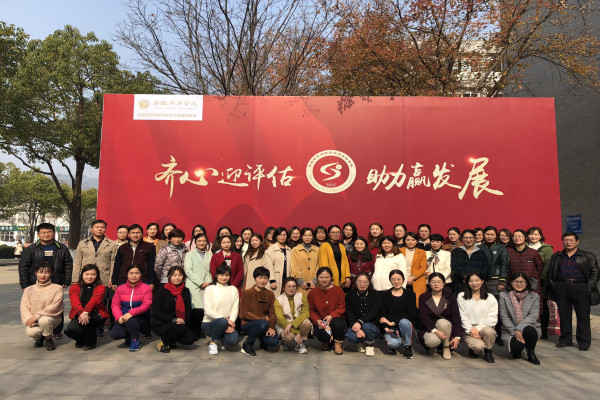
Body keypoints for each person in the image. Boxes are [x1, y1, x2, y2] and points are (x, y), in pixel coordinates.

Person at [547, 232, 599, 351]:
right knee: (564, 315)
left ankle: (584, 342)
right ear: (563, 242)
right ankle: (565, 340)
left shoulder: (588, 256)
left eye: (571, 240)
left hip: (581, 287)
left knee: (583, 316)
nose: (568, 242)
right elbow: (551, 272)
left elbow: (595, 273)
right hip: (562, 287)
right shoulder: (557, 256)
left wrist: (587, 287)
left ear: (577, 241)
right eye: (565, 240)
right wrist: (555, 286)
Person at [19, 222, 72, 338]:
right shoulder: (31, 249)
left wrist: (67, 280)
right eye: (43, 232)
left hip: (56, 281)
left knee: (57, 306)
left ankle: (57, 330)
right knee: (38, 305)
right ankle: (38, 328)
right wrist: (24, 284)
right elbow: (23, 266)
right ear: (38, 234)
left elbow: (68, 264)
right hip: (36, 282)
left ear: (53, 233)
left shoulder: (62, 248)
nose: (46, 234)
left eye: (49, 232)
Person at [71, 219, 117, 337]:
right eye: (97, 227)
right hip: (86, 278)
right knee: (86, 301)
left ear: (105, 229)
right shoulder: (83, 243)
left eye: (102, 227)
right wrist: (75, 279)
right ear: (92, 229)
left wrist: (112, 278)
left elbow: (113, 263)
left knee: (101, 303)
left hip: (103, 278)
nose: (99, 229)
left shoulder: (112, 244)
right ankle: (85, 325)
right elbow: (77, 262)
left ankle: (99, 329)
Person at [498, 273, 541, 365]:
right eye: (516, 282)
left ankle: (531, 352)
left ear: (526, 283)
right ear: (511, 282)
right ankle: (517, 351)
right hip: (510, 329)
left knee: (530, 330)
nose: (519, 284)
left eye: (522, 282)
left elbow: (533, 316)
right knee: (516, 347)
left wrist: (519, 329)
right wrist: (515, 332)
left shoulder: (534, 296)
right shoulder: (503, 295)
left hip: (528, 326)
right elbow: (504, 316)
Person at [152, 266, 197, 353]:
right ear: (169, 276)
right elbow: (156, 311)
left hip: (179, 322)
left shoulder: (186, 291)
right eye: (174, 275)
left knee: (190, 339)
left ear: (183, 277)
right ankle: (164, 343)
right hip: (162, 322)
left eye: (180, 275)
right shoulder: (161, 290)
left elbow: (188, 309)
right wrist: (173, 320)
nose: (177, 278)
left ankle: (171, 340)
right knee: (180, 329)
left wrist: (184, 321)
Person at [20, 262, 64, 350]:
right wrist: (29, 319)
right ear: (35, 273)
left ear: (51, 273)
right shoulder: (28, 289)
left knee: (44, 320)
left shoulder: (58, 288)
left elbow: (55, 306)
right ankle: (40, 337)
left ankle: (49, 340)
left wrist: (36, 316)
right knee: (31, 332)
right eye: (40, 272)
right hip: (35, 319)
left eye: (47, 272)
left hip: (53, 318)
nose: (43, 275)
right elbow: (24, 307)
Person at [65, 264, 109, 350]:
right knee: (70, 330)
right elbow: (74, 302)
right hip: (79, 313)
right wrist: (81, 313)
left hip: (95, 314)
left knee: (87, 322)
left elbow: (94, 301)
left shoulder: (100, 287)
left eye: (93, 274)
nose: (89, 277)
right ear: (82, 274)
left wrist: (85, 312)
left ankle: (91, 342)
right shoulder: (75, 287)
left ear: (97, 275)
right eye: (87, 274)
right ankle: (80, 339)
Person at [110, 264, 153, 351]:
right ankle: (128, 337)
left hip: (140, 317)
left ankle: (135, 339)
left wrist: (131, 313)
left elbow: (146, 305)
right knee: (115, 334)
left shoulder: (147, 288)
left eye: (137, 273)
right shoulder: (120, 288)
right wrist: (119, 317)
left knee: (131, 321)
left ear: (141, 274)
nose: (134, 275)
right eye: (131, 273)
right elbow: (115, 305)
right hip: (124, 316)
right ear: (127, 274)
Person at [418, 273, 461, 360]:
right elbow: (423, 317)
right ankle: (433, 347)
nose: (436, 284)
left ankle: (446, 347)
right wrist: (435, 331)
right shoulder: (423, 297)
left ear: (444, 283)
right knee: (432, 341)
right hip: (430, 328)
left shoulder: (450, 297)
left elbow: (456, 317)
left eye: (439, 282)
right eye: (433, 282)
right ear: (429, 283)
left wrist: (457, 336)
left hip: (446, 328)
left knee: (442, 322)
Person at [457, 271, 498, 363]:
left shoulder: (490, 297)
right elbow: (462, 315)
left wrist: (478, 328)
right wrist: (472, 330)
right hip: (469, 329)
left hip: (485, 327)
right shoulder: (461, 296)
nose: (474, 283)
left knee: (489, 332)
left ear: (482, 281)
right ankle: (474, 348)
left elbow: (492, 317)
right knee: (478, 346)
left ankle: (488, 350)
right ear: (467, 282)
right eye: (471, 281)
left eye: (477, 280)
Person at [201, 263, 240, 355]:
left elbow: (235, 309)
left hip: (227, 323)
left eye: (227, 275)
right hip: (209, 324)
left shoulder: (233, 289)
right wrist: (226, 320)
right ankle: (213, 342)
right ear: (216, 275)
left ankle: (220, 337)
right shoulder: (210, 289)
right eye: (221, 275)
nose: (224, 277)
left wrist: (230, 323)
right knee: (222, 321)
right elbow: (208, 310)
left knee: (233, 341)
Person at [239, 267, 279, 356]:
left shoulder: (270, 293)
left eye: (265, 278)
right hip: (248, 324)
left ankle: (262, 338)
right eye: (260, 278)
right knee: (262, 324)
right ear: (255, 278)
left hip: (265, 324)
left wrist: (271, 327)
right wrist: (263, 319)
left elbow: (272, 313)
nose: (262, 280)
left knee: (273, 342)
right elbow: (244, 314)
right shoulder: (247, 293)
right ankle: (247, 344)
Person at [308, 267, 346, 354]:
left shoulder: (338, 290)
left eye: (327, 277)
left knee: (339, 323)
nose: (324, 280)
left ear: (331, 278)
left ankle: (337, 343)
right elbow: (310, 310)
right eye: (321, 277)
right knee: (322, 334)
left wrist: (332, 315)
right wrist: (317, 320)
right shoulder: (312, 293)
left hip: (335, 319)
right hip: (321, 322)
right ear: (317, 278)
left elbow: (342, 307)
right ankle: (325, 341)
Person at [482, 226, 510, 345]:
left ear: (496, 236)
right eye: (487, 234)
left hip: (496, 280)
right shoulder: (479, 247)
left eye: (492, 234)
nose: (489, 237)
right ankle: (486, 334)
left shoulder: (501, 248)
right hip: (482, 281)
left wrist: (502, 281)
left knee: (498, 308)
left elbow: (505, 265)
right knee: (484, 308)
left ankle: (499, 335)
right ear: (484, 235)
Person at [380, 270, 416, 358]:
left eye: (399, 279)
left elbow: (411, 314)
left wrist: (392, 322)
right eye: (393, 279)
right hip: (390, 327)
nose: (396, 282)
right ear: (390, 280)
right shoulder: (384, 295)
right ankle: (392, 345)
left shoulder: (410, 294)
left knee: (405, 321)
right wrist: (386, 328)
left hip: (403, 325)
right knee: (394, 344)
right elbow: (382, 315)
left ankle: (407, 346)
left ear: (403, 280)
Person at [183, 233, 213, 338]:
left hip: (207, 285)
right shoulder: (189, 254)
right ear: (195, 242)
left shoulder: (210, 255)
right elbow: (188, 270)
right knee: (194, 309)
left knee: (203, 309)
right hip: (193, 284)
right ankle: (192, 330)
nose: (201, 243)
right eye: (199, 241)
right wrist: (200, 282)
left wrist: (208, 282)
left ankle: (200, 329)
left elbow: (212, 271)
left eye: (204, 241)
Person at [507, 229, 544, 313]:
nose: (517, 238)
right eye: (515, 236)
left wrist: (532, 277)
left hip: (531, 284)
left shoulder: (533, 252)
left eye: (520, 236)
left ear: (526, 238)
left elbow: (540, 267)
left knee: (533, 309)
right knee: (515, 310)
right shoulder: (508, 251)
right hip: (514, 285)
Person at [345, 272, 381, 356]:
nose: (362, 284)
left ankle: (369, 344)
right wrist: (357, 329)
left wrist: (360, 322)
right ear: (355, 282)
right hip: (356, 325)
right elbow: (349, 313)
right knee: (350, 335)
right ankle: (360, 342)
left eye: (365, 282)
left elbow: (374, 312)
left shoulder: (376, 295)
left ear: (369, 282)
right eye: (360, 281)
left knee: (366, 326)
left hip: (371, 325)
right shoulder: (350, 295)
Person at [527, 226, 554, 339]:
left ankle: (543, 331)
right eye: (531, 234)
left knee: (542, 306)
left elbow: (548, 265)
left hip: (541, 282)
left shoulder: (546, 248)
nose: (533, 236)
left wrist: (540, 278)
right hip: (525, 282)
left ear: (540, 236)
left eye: (536, 234)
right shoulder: (524, 246)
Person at [274, 277, 311, 354]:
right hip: (284, 325)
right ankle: (284, 342)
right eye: (289, 286)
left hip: (297, 322)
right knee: (288, 337)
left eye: (294, 286)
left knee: (307, 323)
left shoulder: (302, 296)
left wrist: (291, 324)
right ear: (284, 287)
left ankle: (299, 344)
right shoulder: (278, 300)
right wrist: (298, 333)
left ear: (296, 287)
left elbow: (305, 313)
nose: (291, 288)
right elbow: (280, 319)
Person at [450, 229, 492, 296]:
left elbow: (486, 268)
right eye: (466, 238)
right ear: (462, 239)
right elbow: (455, 266)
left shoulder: (481, 252)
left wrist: (476, 278)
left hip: (477, 284)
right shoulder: (456, 252)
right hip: (460, 283)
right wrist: (465, 276)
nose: (468, 240)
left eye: (470, 238)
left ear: (474, 238)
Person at [318, 225, 351, 289]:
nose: (335, 234)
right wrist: (329, 278)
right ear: (329, 234)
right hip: (331, 279)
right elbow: (323, 264)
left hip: (342, 279)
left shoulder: (342, 246)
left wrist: (347, 276)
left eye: (337, 232)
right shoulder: (324, 246)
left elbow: (346, 263)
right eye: (333, 232)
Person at [400, 232, 427, 307]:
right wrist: (405, 278)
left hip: (417, 280)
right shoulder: (399, 251)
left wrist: (412, 277)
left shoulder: (422, 252)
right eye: (408, 240)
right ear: (404, 241)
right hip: (402, 280)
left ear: (417, 241)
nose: (410, 242)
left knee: (417, 304)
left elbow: (423, 268)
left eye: (413, 240)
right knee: (403, 303)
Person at [289, 228, 319, 293]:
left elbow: (319, 266)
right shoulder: (295, 250)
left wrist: (315, 280)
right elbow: (294, 267)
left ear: (312, 237)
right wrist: (300, 282)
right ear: (302, 237)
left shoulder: (317, 250)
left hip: (315, 283)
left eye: (309, 235)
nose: (307, 237)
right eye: (305, 235)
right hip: (300, 284)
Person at [264, 227, 292, 296]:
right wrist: (272, 280)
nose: (282, 237)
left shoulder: (289, 250)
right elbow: (268, 266)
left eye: (284, 235)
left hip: (287, 280)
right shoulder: (271, 250)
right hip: (275, 281)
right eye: (280, 235)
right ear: (276, 237)